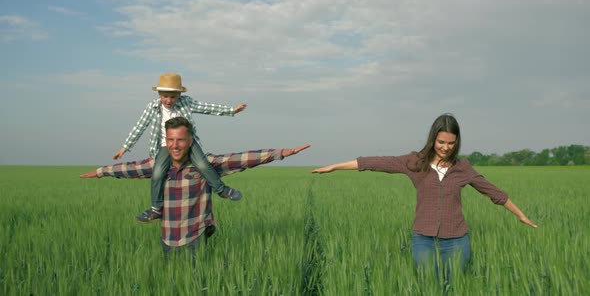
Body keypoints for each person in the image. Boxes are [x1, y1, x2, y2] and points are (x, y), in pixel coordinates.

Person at [311, 113, 536, 280]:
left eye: (451, 143)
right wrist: (335, 166)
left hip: (457, 241)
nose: (446, 147)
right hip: (424, 240)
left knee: (454, 287)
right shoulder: (415, 162)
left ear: (456, 142)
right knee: (428, 286)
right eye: (441, 142)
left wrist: (521, 215)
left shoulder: (463, 168)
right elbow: (376, 162)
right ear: (432, 140)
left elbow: (494, 192)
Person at [82, 116, 311, 254]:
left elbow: (242, 158)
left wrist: (280, 153)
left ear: (190, 141)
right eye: (170, 140)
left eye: (180, 140)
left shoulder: (205, 165)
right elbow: (129, 168)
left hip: (195, 236)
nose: (175, 145)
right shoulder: (158, 165)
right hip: (167, 238)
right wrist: (102, 172)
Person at [113, 73, 247, 223]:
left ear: (179, 95)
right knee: (157, 173)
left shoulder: (186, 102)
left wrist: (231, 110)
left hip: (188, 141)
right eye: (165, 96)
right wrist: (125, 147)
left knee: (202, 164)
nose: (168, 100)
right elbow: (140, 126)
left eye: (173, 97)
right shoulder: (152, 107)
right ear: (159, 94)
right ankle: (156, 209)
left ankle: (222, 190)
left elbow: (206, 107)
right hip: (166, 144)